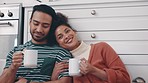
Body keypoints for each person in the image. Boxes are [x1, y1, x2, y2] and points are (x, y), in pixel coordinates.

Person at [50, 12, 131, 83]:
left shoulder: (102, 48)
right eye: (60, 37)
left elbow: (125, 79)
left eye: (67, 31)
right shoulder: (65, 64)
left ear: (74, 31)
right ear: (58, 44)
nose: (66, 36)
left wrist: (94, 70)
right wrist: (53, 77)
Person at [0, 5, 72, 83]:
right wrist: (13, 67)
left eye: (45, 26)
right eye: (36, 23)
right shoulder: (16, 51)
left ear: (51, 27)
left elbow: (66, 81)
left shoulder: (61, 53)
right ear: (30, 22)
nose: (39, 30)